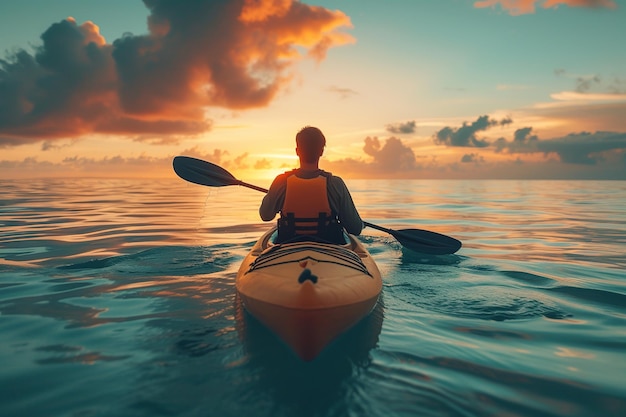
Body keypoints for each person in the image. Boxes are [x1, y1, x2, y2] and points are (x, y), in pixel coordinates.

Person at [259, 126, 363, 243]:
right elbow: (355, 228)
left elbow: (265, 215)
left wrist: (273, 194)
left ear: (297, 151)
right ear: (321, 152)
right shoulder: (335, 184)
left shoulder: (281, 182)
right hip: (328, 248)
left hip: (288, 246)